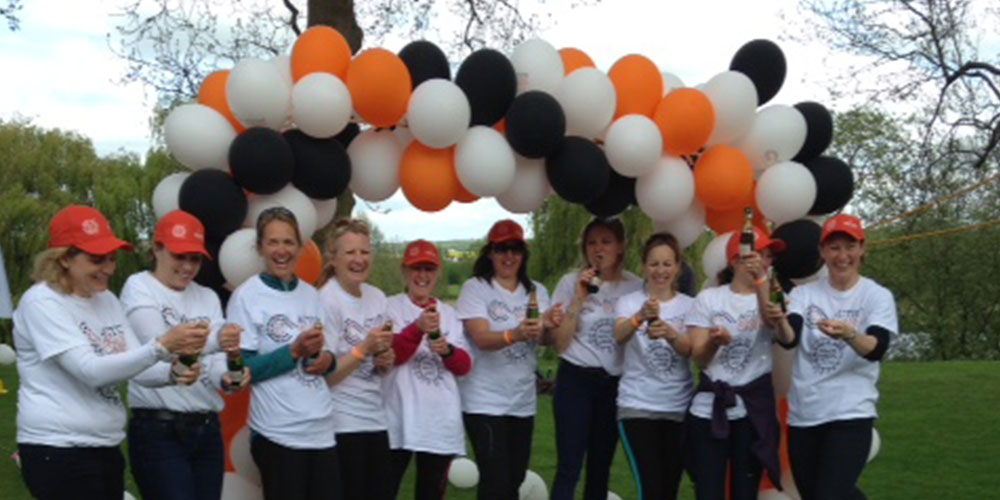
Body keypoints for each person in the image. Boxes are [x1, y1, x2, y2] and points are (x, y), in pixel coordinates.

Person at [13, 205, 207, 500]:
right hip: (57, 449)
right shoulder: (42, 301)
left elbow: (136, 367)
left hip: (104, 445)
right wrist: (161, 347)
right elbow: (89, 371)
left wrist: (174, 372)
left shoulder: (106, 299)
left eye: (112, 259)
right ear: (64, 258)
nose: (108, 269)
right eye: (96, 259)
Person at [120, 210, 251, 500]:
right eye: (179, 256)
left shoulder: (206, 296)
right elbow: (160, 348)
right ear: (156, 249)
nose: (188, 266)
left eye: (195, 258)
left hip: (206, 427)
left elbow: (215, 367)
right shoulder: (139, 286)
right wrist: (218, 339)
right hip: (158, 429)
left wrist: (228, 377)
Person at [765, 215, 897, 500]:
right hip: (805, 415)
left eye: (849, 247)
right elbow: (791, 339)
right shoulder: (804, 294)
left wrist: (850, 334)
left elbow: (876, 348)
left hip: (850, 413)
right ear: (823, 253)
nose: (842, 256)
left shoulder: (876, 296)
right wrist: (779, 322)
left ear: (862, 249)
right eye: (834, 248)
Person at [226, 207, 342, 500]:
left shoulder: (311, 295)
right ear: (260, 248)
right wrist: (292, 351)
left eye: (289, 242)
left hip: (321, 429)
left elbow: (325, 356)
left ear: (301, 247)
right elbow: (242, 370)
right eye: (273, 242)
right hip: (278, 433)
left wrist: (326, 361)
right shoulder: (247, 297)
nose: (281, 251)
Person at [456, 219, 563, 500]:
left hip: (521, 400)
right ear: (490, 253)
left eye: (516, 249)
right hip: (483, 399)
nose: (509, 257)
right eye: (502, 249)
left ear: (524, 255)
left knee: (514, 478)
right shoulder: (476, 287)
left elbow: (545, 340)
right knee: (495, 480)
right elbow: (480, 337)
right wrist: (514, 334)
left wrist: (550, 325)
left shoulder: (536, 290)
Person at [686, 227, 786, 500]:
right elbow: (699, 356)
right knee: (708, 492)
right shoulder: (710, 298)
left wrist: (763, 284)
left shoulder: (773, 298)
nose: (764, 261)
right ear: (735, 260)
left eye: (767, 257)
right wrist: (714, 343)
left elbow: (777, 328)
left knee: (745, 492)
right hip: (710, 410)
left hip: (751, 411)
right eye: (758, 255)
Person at [548, 218, 642, 500]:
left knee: (600, 468)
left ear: (621, 247)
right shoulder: (570, 282)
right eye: (592, 242)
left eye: (606, 241)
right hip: (576, 378)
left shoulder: (635, 287)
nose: (598, 249)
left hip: (613, 384)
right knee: (569, 465)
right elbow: (560, 345)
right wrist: (578, 298)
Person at [383, 240, 473, 500]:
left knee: (431, 494)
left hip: (438, 421)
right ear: (404, 271)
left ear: (438, 273)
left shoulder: (449, 314)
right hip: (397, 418)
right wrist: (417, 328)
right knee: (383, 490)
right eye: (416, 269)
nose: (422, 276)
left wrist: (447, 351)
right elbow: (392, 356)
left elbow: (465, 366)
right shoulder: (390, 307)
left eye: (428, 269)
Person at [317, 218, 396, 500]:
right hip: (341, 423)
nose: (359, 259)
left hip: (375, 419)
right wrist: (364, 349)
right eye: (350, 253)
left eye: (364, 252)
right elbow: (325, 375)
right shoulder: (326, 300)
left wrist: (384, 358)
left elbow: (382, 361)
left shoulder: (377, 297)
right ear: (333, 258)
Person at [612, 232, 695, 500]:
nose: (661, 271)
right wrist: (639, 317)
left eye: (667, 264)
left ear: (678, 266)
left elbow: (691, 349)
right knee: (650, 489)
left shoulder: (690, 305)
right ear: (644, 267)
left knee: (669, 490)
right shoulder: (629, 302)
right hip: (638, 407)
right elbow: (618, 335)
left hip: (677, 407)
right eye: (654, 264)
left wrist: (671, 334)